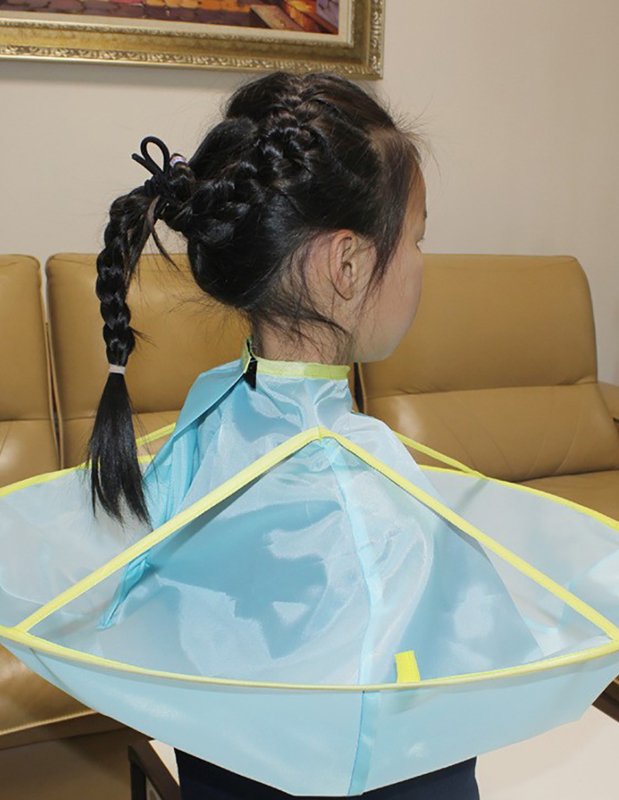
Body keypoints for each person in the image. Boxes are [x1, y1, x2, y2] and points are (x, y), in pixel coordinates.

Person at [86, 69, 481, 798]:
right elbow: (428, 747)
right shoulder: (371, 506)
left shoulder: (207, 413)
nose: (423, 262)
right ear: (348, 264)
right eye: (418, 238)